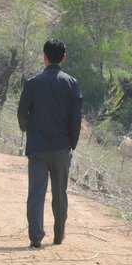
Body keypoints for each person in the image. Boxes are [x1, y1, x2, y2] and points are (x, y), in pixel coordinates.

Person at [17, 39, 83, 248]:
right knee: (59, 192)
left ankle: (36, 236)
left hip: (37, 147)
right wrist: (71, 143)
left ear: (44, 57)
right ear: (63, 58)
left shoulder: (32, 83)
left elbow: (22, 112)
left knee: (36, 191)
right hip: (61, 147)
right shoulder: (72, 84)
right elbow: (76, 119)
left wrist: (26, 128)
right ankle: (58, 235)